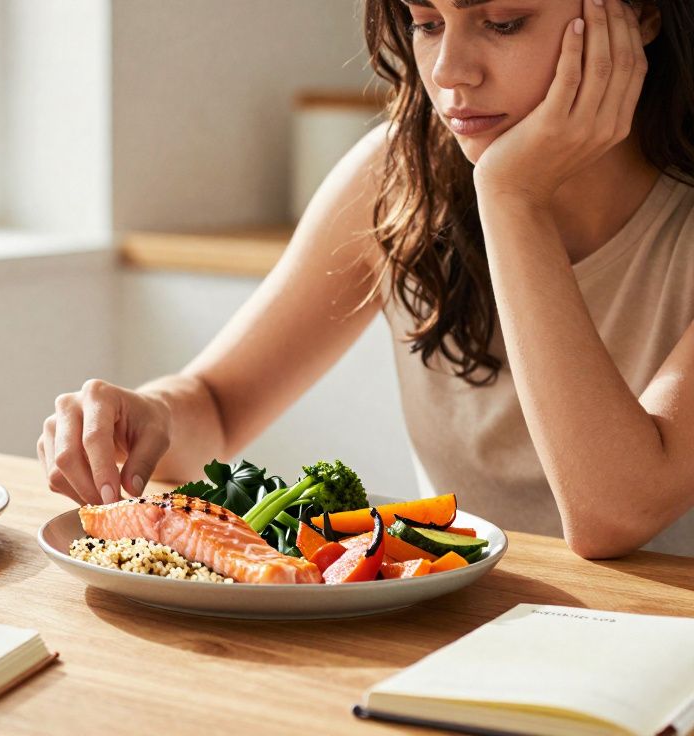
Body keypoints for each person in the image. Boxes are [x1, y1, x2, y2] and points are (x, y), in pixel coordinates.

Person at [37, 0, 694, 558]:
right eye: (426, 21)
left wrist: (512, 197)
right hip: (461, 642)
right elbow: (216, 403)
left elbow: (613, 515)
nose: (447, 72)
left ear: (637, 13)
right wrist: (147, 414)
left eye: (502, 22)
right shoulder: (397, 178)